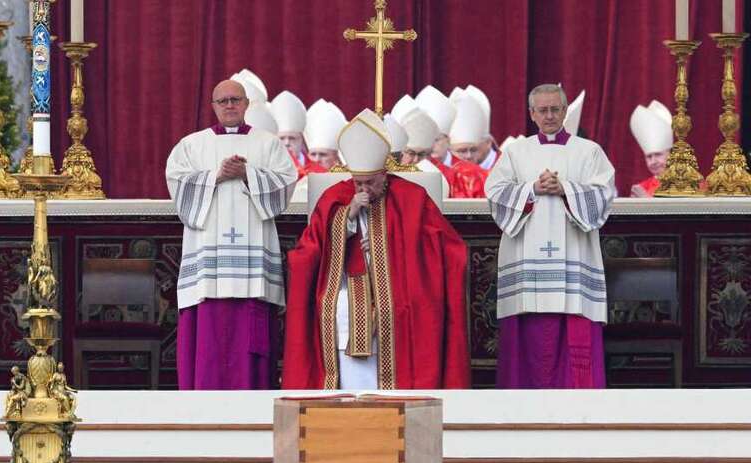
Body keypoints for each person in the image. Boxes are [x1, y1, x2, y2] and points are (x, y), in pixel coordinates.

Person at [283, 108, 470, 390]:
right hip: (345, 286)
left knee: (399, 309)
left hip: (401, 285)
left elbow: (449, 251)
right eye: (358, 182)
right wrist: (345, 221)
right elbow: (306, 254)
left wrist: (393, 247)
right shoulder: (335, 198)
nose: (364, 189)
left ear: (384, 174)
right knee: (342, 307)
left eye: (370, 182)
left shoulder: (412, 197)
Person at [166, 79, 297, 390]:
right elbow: (177, 182)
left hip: (252, 270)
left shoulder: (268, 144)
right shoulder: (192, 145)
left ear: (246, 104)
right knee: (208, 332)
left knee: (249, 331)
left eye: (235, 99)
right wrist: (216, 176)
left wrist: (248, 174)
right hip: (208, 271)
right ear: (213, 106)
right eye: (222, 101)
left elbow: (285, 183)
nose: (229, 105)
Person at [484, 84, 616, 389]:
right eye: (542, 110)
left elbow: (603, 196)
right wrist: (532, 189)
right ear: (531, 114)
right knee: (527, 336)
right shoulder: (516, 152)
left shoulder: (589, 151)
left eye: (555, 109)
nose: (549, 116)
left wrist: (566, 189)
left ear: (565, 111)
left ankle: (580, 407)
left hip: (574, 260)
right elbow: (495, 194)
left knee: (575, 328)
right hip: (527, 260)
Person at [629, 101, 673, 197]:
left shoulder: (689, 184)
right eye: (649, 157)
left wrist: (646, 201)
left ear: (671, 154)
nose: (653, 162)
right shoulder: (642, 188)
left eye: (658, 154)